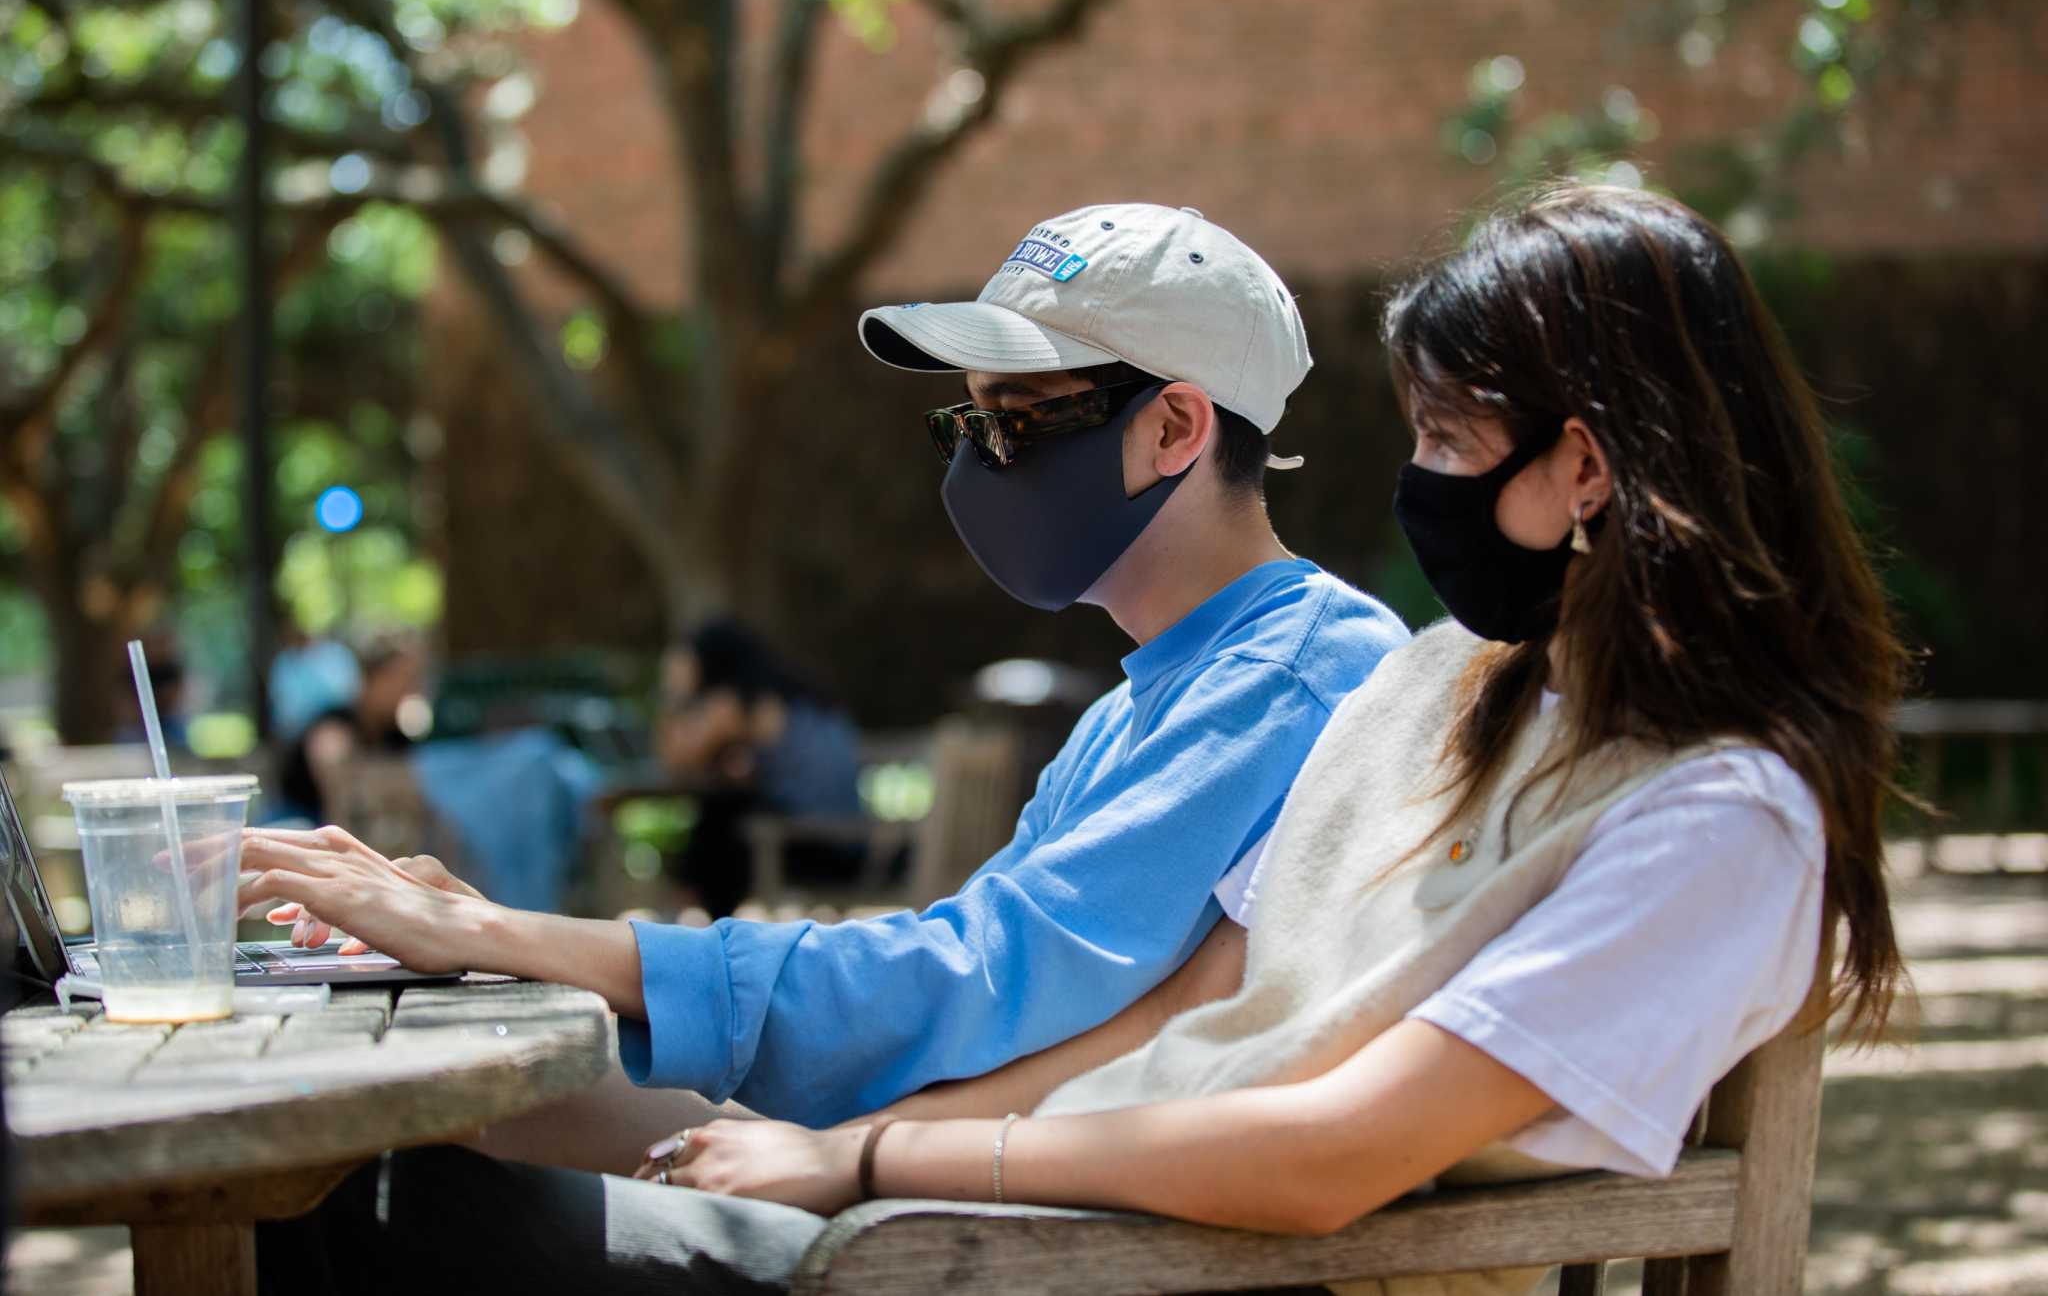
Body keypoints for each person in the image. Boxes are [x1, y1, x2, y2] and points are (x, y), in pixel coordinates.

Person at [253, 184, 1907, 1295]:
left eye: (1448, 440)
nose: (1419, 488)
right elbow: (1201, 1009)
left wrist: (877, 1155)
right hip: (1038, 1221)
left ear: (1590, 471)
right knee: (357, 1187)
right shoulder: (1450, 688)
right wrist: (862, 1156)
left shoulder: (1716, 819)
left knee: (381, 1219)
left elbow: (1329, 1150)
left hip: (1138, 1263)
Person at [239, 202, 1409, 1137]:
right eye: (966, 423)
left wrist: (514, 938)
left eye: (1017, 419)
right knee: (383, 1131)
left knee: (375, 1203)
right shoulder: (1148, 699)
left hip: (1007, 1240)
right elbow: (971, 988)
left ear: (1173, 429)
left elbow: (977, 988)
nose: (977, 460)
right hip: (933, 1181)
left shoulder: (1299, 679)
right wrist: (488, 935)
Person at [654, 618, 866, 918]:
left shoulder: (741, 702)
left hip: (819, 844)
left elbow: (679, 758)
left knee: (721, 817)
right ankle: (703, 917)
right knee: (726, 817)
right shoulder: (792, 696)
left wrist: (675, 696)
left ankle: (697, 918)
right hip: (843, 840)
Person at [271, 635, 427, 826]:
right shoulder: (334, 725)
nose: (411, 689)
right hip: (296, 823)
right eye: (402, 679)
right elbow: (339, 794)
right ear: (371, 678)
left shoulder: (397, 735)